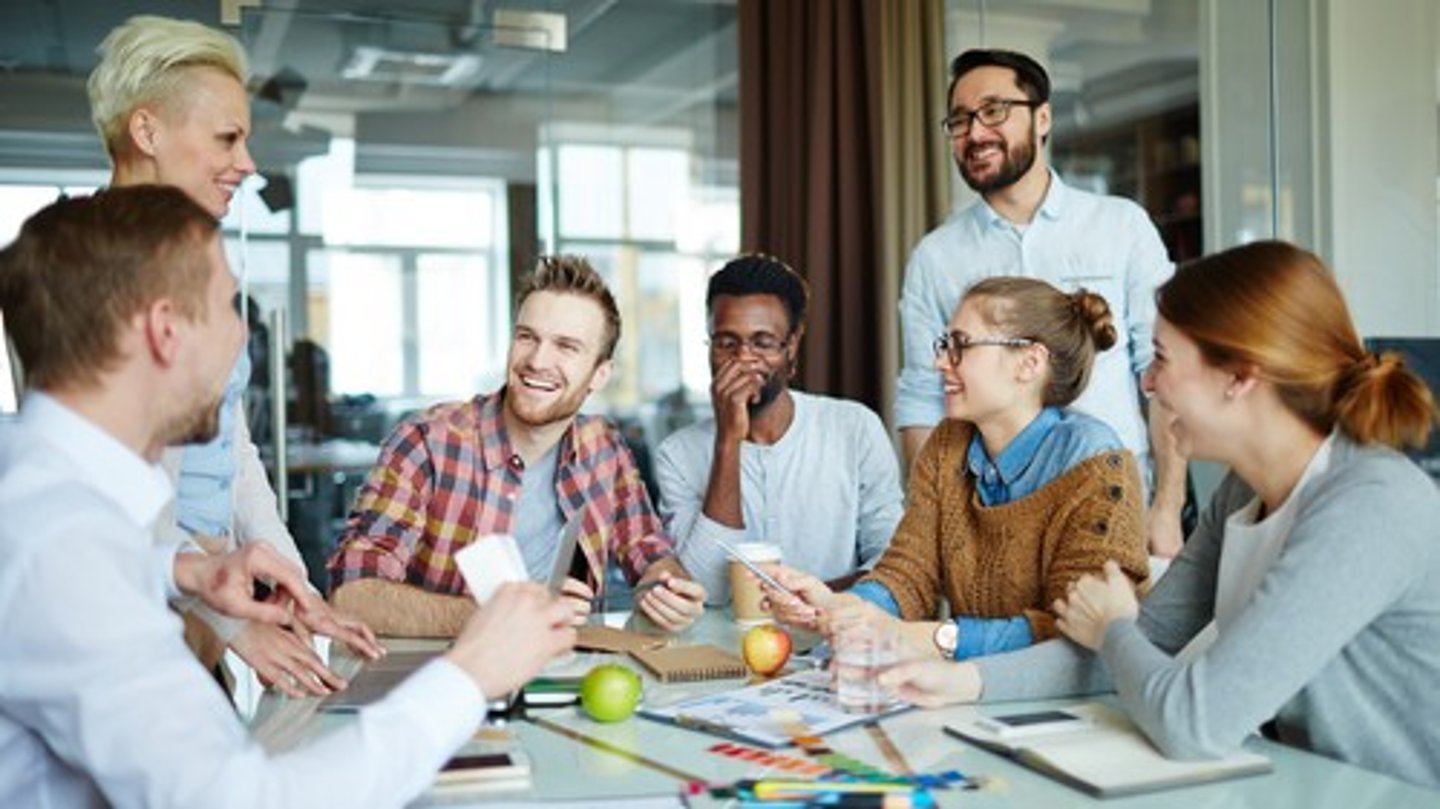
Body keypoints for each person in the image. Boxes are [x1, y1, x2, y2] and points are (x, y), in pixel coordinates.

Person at [0, 186, 575, 807]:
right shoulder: (64, 548)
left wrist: (182, 570)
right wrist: (469, 674)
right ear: (166, 330)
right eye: (227, 306)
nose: (242, 335)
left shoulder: (38, 498)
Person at [881, 242, 1440, 789]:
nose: (1147, 383)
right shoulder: (1243, 490)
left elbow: (1196, 720)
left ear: (1238, 377)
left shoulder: (1370, 505)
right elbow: (1134, 649)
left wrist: (1114, 628)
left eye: (1164, 359)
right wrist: (960, 681)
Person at [88, 14, 342, 696]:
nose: (248, 163)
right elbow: (102, 492)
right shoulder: (68, 276)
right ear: (147, 132)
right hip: (130, 642)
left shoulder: (195, 266)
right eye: (226, 138)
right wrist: (231, 621)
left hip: (203, 630)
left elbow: (232, 449)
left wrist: (296, 588)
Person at [894, 48, 1186, 557]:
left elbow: (1166, 373)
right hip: (994, 515)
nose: (975, 133)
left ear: (1043, 116)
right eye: (959, 120)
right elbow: (923, 400)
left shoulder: (1121, 226)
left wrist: (1166, 506)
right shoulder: (936, 257)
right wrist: (939, 526)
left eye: (993, 110)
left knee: (1111, 634)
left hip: (1117, 501)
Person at [769, 277, 1149, 661]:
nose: (940, 361)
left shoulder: (1099, 468)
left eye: (961, 346)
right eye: (945, 344)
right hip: (966, 695)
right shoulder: (948, 446)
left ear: (1029, 363)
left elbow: (1076, 632)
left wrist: (934, 639)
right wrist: (839, 607)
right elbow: (908, 574)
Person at [329, 256, 706, 636]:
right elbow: (352, 596)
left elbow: (650, 553)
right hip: (450, 678)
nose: (538, 360)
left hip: (569, 674)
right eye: (527, 337)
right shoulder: (427, 442)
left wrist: (666, 586)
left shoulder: (605, 450)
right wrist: (495, 617)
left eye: (566, 346)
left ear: (599, 374)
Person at [654, 255, 904, 602]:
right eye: (727, 343)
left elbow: (894, 563)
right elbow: (704, 589)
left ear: (792, 346)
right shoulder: (677, 454)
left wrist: (809, 599)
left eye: (762, 342)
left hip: (833, 639)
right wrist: (728, 441)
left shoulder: (854, 428)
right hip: (720, 651)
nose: (743, 359)